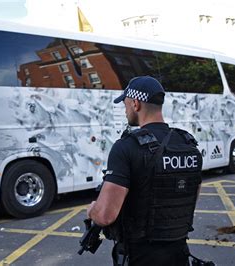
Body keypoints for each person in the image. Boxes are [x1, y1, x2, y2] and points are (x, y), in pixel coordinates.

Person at [87, 76, 203, 266]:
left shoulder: (126, 147)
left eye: (125, 104)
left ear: (135, 103)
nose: (125, 110)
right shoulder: (188, 145)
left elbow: (105, 215)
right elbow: (190, 198)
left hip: (141, 256)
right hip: (179, 255)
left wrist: (92, 210)